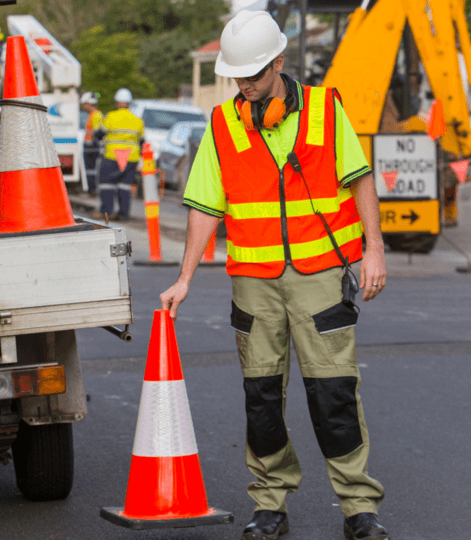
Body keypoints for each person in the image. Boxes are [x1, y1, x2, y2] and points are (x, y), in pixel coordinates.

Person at [160, 10, 389, 540]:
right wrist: (185, 277)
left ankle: (358, 506)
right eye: (238, 78)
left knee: (334, 395)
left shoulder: (325, 112)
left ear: (280, 64)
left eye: (255, 76)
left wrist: (373, 251)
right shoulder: (222, 124)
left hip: (319, 275)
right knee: (261, 396)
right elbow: (203, 207)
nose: (246, 87)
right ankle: (270, 504)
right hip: (254, 282)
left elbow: (360, 181)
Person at [94, 88, 144, 221]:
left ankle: (106, 212)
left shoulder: (111, 116)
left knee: (106, 184)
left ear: (117, 102)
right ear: (130, 103)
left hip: (112, 156)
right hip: (131, 157)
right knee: (125, 186)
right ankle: (123, 213)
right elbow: (142, 141)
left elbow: (100, 134)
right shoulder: (138, 120)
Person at [80, 91, 103, 194]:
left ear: (89, 103)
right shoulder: (93, 114)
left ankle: (92, 189)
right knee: (89, 169)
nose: (83, 106)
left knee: (91, 169)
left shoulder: (96, 115)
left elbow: (97, 133)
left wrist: (92, 143)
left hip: (92, 146)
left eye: (84, 104)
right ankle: (90, 188)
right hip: (90, 145)